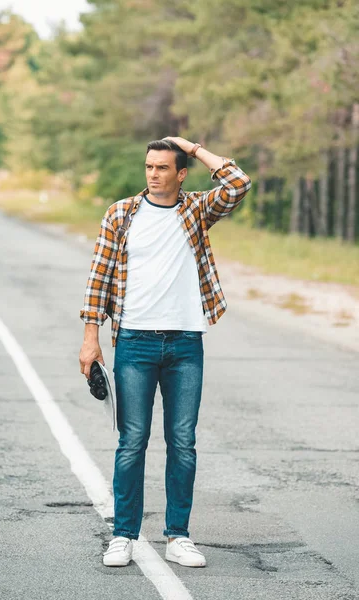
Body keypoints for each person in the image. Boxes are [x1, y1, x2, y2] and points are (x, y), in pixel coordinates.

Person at [79, 137, 251, 567]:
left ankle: (178, 536)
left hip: (185, 342)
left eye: (162, 167)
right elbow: (98, 277)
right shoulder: (121, 213)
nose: (153, 174)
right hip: (134, 341)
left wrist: (192, 147)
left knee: (183, 442)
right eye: (148, 166)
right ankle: (124, 536)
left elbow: (237, 183)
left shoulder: (195, 210)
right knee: (131, 441)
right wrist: (90, 337)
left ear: (180, 174)